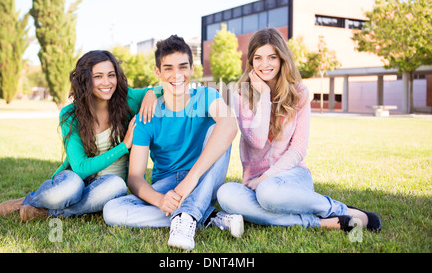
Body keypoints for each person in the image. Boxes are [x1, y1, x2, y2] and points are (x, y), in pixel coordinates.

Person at [217, 28, 382, 232]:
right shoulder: (242, 95)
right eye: (258, 58)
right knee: (225, 194)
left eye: (272, 57)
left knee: (268, 193)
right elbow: (257, 141)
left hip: (291, 178)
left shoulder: (300, 93)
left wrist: (266, 178)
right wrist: (265, 96)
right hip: (253, 184)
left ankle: (338, 209)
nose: (265, 64)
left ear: (282, 59)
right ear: (251, 62)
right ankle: (320, 222)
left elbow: (298, 150)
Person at [103, 35, 242, 251]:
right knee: (112, 210)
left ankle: (187, 214)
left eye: (182, 67)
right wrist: (159, 200)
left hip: (203, 179)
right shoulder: (145, 118)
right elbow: (135, 178)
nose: (176, 75)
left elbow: (231, 125)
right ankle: (206, 216)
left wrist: (191, 179)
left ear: (192, 69)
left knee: (222, 126)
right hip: (167, 185)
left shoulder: (206, 95)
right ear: (158, 72)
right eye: (168, 68)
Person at [0, 50, 160, 222]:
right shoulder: (70, 114)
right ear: (85, 79)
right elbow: (80, 167)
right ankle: (27, 201)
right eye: (98, 76)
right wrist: (123, 146)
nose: (107, 82)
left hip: (106, 186)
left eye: (111, 75)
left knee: (117, 186)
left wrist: (150, 92)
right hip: (75, 179)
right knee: (71, 187)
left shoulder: (128, 99)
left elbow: (170, 87)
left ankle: (46, 212)